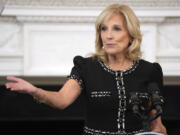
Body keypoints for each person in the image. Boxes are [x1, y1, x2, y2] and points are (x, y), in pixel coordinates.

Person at [5, 4, 167, 135]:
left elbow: (155, 120)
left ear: (131, 35)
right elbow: (61, 100)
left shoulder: (149, 70)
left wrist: (158, 129)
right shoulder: (86, 67)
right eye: (104, 29)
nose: (108, 35)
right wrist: (34, 90)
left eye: (116, 29)